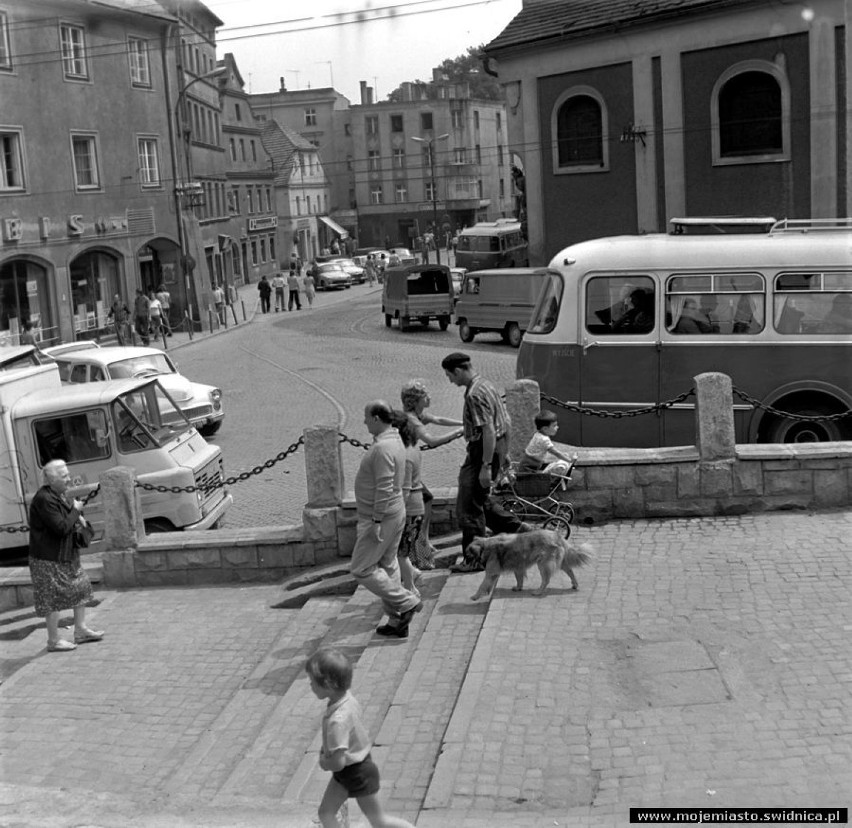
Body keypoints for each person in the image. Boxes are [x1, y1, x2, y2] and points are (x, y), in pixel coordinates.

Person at [305, 649, 416, 828]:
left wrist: (324, 762)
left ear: (328, 684)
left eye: (312, 682)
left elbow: (338, 762)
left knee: (379, 821)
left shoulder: (337, 720)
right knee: (325, 813)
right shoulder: (347, 699)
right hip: (353, 770)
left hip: (357, 773)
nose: (310, 685)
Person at [441, 352, 531, 573]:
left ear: (458, 370)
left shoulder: (474, 394)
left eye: (449, 375)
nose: (450, 381)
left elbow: (488, 430)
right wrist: (504, 452)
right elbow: (506, 421)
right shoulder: (487, 385)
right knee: (481, 500)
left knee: (468, 508)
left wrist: (486, 465)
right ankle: (521, 530)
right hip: (495, 449)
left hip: (482, 452)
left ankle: (474, 559)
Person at [351, 400, 422, 639]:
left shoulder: (382, 448)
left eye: (366, 417)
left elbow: (384, 486)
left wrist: (376, 521)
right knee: (388, 564)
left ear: (377, 419)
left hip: (381, 516)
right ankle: (395, 620)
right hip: (395, 511)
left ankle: (407, 601)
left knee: (361, 568)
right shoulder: (395, 441)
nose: (364, 422)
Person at [28, 460, 103, 652]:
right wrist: (76, 510)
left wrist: (78, 517)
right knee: (52, 599)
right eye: (64, 476)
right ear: (52, 480)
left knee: (81, 588)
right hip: (48, 558)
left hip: (66, 555)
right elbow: (60, 528)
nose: (69, 479)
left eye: (68, 475)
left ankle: (80, 630)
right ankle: (53, 641)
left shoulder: (59, 495)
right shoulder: (44, 499)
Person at [399, 379, 464, 569]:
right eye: (425, 396)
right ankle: (420, 551)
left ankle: (424, 542)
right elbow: (432, 440)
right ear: (416, 400)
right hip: (406, 469)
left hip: (409, 467)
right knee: (419, 507)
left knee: (427, 499)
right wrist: (460, 431)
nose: (429, 398)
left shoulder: (417, 414)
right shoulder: (410, 418)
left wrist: (463, 422)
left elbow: (439, 420)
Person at [390, 411, 424, 594]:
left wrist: (395, 513)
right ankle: (413, 574)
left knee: (400, 552)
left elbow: (405, 489)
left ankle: (410, 587)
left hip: (409, 509)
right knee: (402, 550)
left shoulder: (406, 456)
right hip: (416, 508)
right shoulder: (414, 448)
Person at [518, 409, 577, 475]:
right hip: (530, 466)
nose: (557, 427)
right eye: (554, 426)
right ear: (545, 428)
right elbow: (556, 453)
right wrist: (569, 460)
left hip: (528, 463)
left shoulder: (538, 434)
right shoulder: (544, 439)